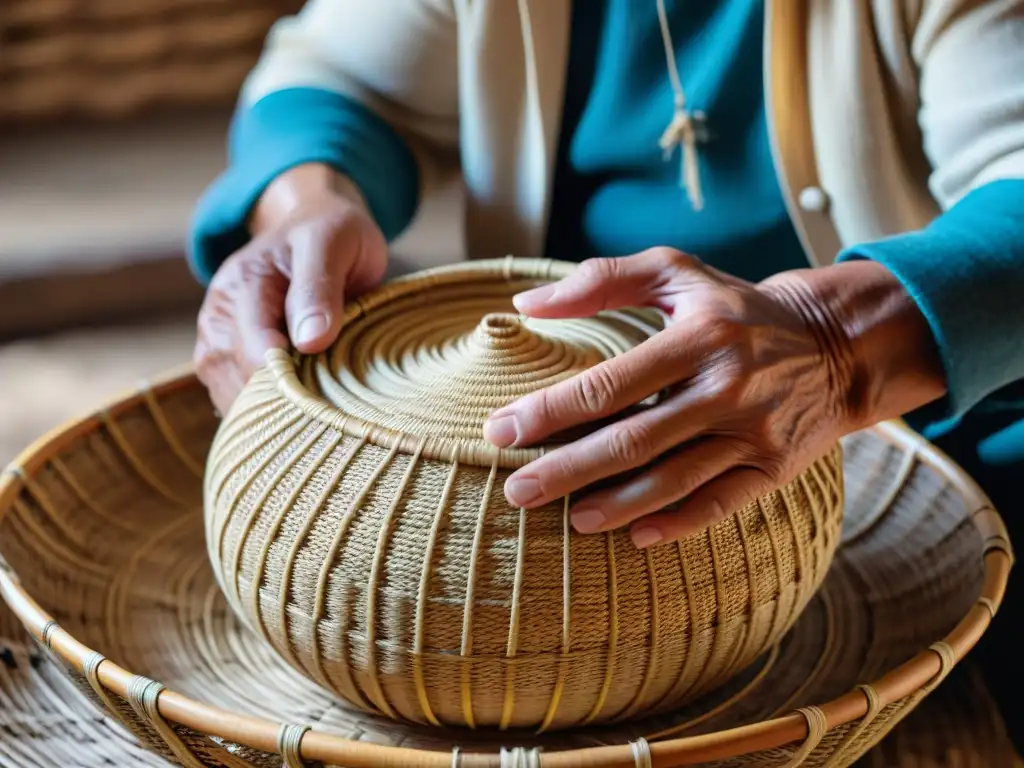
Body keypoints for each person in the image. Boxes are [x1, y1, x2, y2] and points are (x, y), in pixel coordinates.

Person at [189, 0, 1024, 745]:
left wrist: (837, 347)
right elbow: (338, 77)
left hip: (959, 445)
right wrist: (306, 200)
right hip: (538, 510)